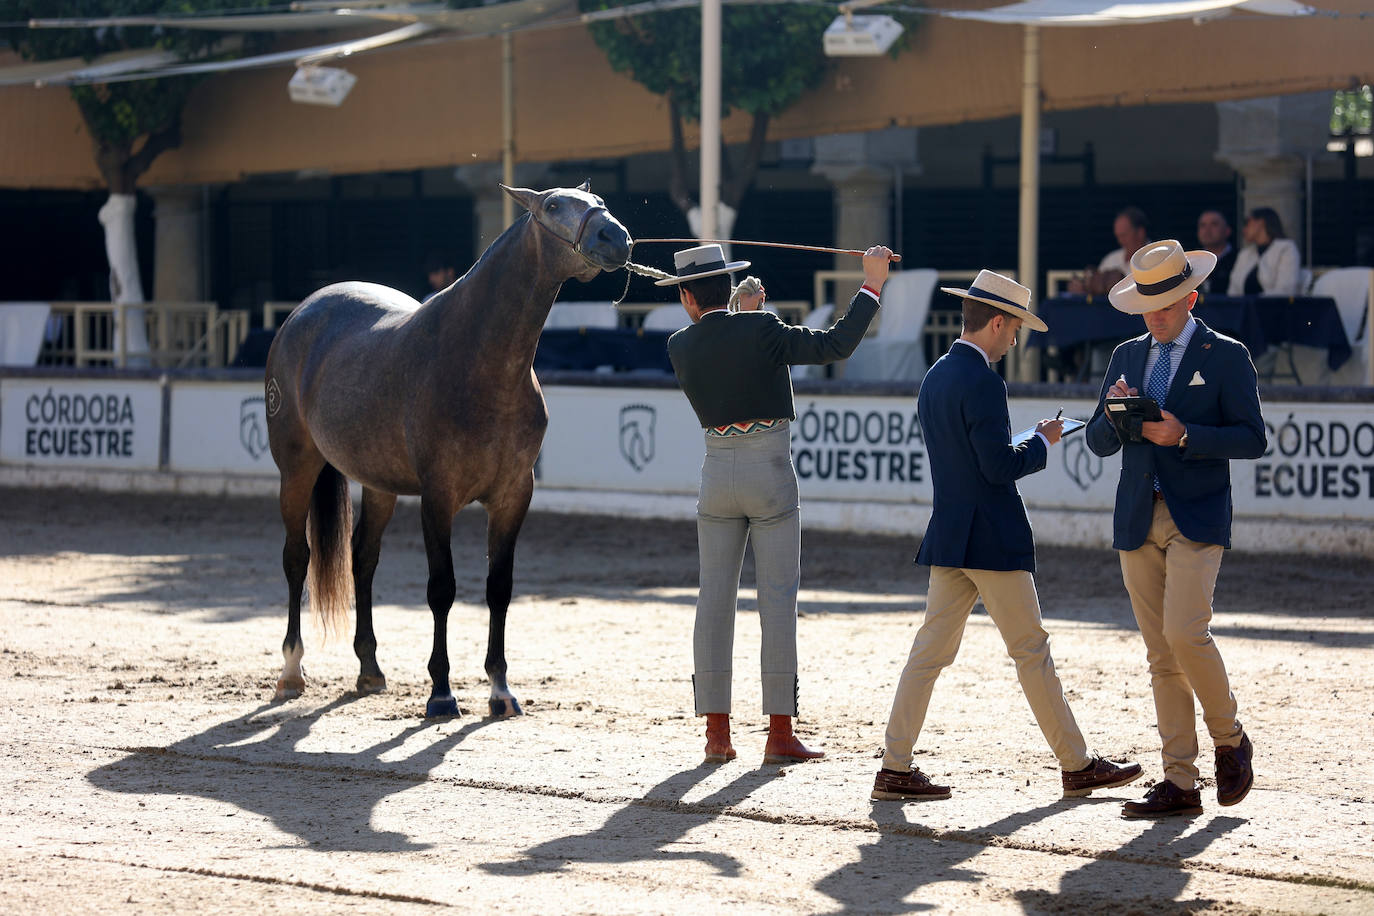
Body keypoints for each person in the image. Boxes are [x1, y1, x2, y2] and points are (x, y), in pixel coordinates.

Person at [871, 269, 1142, 802]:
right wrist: (1041, 444)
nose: (1017, 337)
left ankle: (894, 765)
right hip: (991, 537)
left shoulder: (937, 375)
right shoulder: (984, 380)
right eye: (1015, 326)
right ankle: (1076, 763)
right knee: (1030, 651)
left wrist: (1032, 440)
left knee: (928, 654)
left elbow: (970, 460)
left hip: (951, 531)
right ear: (996, 322)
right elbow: (996, 467)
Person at [662, 242, 890, 765]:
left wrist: (744, 316)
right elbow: (836, 345)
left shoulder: (680, 344)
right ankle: (779, 732)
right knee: (777, 598)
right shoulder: (762, 329)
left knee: (713, 601)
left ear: (687, 297)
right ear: (730, 286)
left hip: (716, 471)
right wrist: (871, 285)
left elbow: (720, 341)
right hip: (769, 468)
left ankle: (717, 735)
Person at [1086, 239, 1265, 818]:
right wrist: (1115, 414)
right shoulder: (1124, 355)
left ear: (1192, 297)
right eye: (1146, 305)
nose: (1154, 316)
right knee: (1161, 653)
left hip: (1197, 512)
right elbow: (1096, 440)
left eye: (1163, 305)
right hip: (1138, 514)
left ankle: (1229, 737)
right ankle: (1180, 782)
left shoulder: (1227, 355)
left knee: (1186, 635)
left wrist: (1185, 434)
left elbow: (1253, 437)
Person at [1069, 206, 1150, 297]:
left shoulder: (1157, 259)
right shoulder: (1111, 259)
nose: (1120, 241)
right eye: (1118, 237)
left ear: (1140, 232)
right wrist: (1084, 288)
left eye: (1124, 236)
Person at [1227, 207, 1301, 297]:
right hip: (1242, 309)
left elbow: (1285, 290)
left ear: (1261, 222)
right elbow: (1233, 290)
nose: (1244, 229)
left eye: (1247, 223)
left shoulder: (1286, 249)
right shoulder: (1245, 254)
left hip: (1272, 308)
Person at [1195, 209, 1237, 295]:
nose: (1207, 230)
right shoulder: (1192, 260)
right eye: (1203, 225)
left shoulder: (1240, 259)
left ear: (1227, 230)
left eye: (1214, 224)